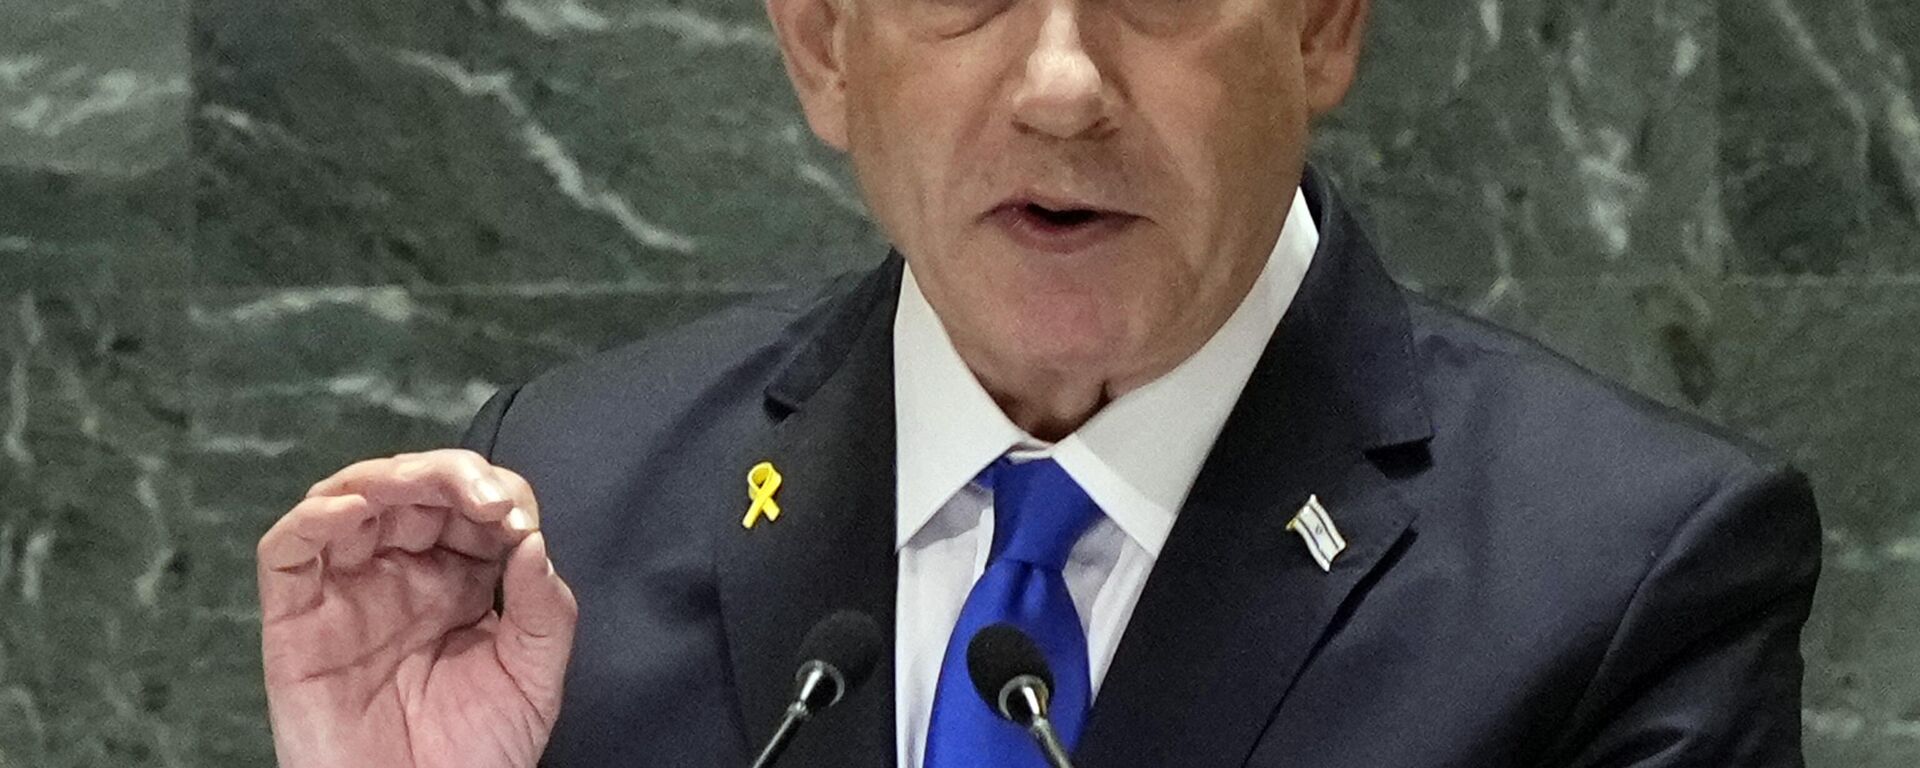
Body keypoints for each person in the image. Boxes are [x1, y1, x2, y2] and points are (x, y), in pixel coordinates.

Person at [255, 0, 1822, 766]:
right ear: (821, 46)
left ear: (1325, 25)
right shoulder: (565, 511)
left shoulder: (1631, 581)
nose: (1064, 83)